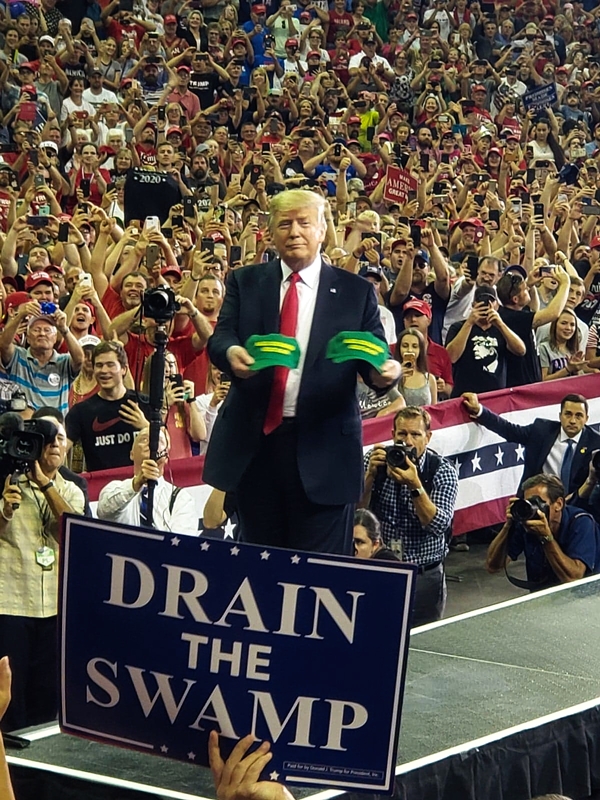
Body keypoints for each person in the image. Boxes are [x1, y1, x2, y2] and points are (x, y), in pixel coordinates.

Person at [203, 189, 400, 555]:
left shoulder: (356, 292)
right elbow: (221, 336)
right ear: (270, 234)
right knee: (260, 564)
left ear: (322, 229)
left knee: (317, 571)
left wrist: (386, 373)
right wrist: (232, 353)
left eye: (304, 223)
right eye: (285, 224)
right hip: (255, 449)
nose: (294, 232)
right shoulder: (245, 282)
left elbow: (374, 359)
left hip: (324, 451)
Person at [0, 417, 85, 731]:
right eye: (46, 438)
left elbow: (72, 530)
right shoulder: (5, 480)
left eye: (60, 438)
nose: (54, 444)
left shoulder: (73, 489)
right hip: (11, 602)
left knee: (47, 693)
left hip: (53, 605)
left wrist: (45, 484)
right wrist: (5, 510)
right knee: (11, 692)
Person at [360, 406, 458, 626]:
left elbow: (437, 525)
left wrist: (415, 485)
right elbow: (356, 515)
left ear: (428, 437)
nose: (408, 442)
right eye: (402, 434)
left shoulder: (442, 469)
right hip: (380, 570)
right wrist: (369, 478)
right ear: (392, 435)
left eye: (416, 434)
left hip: (424, 575)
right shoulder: (376, 460)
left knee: (424, 644)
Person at [462, 392, 600, 496]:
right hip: (536, 500)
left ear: (587, 418)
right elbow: (510, 430)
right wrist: (480, 411)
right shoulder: (541, 430)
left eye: (578, 416)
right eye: (568, 414)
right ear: (560, 416)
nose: (572, 420)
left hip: (577, 504)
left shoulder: (595, 442)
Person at [486, 474, 599, 590]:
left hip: (584, 598)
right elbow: (493, 566)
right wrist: (508, 526)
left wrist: (546, 537)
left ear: (558, 504)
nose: (533, 508)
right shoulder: (526, 524)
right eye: (529, 503)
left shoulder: (581, 522)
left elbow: (574, 578)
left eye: (538, 502)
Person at [97, 426, 199, 536]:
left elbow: (181, 543)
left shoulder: (181, 498)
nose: (151, 443)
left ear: (166, 455)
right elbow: (104, 511)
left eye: (158, 440)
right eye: (144, 439)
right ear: (132, 453)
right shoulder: (114, 487)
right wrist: (136, 484)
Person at [65, 341, 149, 472]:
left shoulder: (144, 403)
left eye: (110, 365)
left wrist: (145, 426)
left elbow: (166, 444)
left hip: (139, 484)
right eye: (99, 365)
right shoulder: (81, 411)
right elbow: (60, 448)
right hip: (102, 488)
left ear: (124, 369)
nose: (104, 371)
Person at [446, 285, 527, 397]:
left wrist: (500, 323)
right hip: (465, 395)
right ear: (473, 305)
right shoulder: (458, 327)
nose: (485, 306)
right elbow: (450, 358)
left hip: (495, 397)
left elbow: (521, 350)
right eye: (481, 302)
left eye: (490, 302)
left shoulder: (502, 329)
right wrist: (469, 323)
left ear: (497, 305)